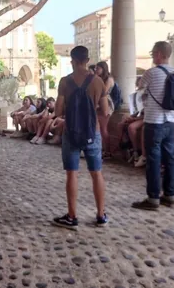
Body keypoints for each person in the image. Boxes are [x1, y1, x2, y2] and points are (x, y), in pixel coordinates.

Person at [51, 46, 108, 230]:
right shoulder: (98, 81)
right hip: (93, 132)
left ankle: (72, 215)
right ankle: (100, 214)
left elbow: (58, 111)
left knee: (71, 173)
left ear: (72, 61)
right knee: (96, 173)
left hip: (72, 131)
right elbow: (106, 111)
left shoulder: (65, 82)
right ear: (88, 59)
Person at [132, 41, 174, 211]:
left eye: (153, 53)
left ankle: (153, 198)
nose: (152, 56)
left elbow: (140, 92)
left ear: (160, 54)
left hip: (154, 122)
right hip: (169, 122)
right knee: (169, 159)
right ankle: (169, 195)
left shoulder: (151, 73)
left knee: (153, 160)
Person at [96, 61, 115, 157]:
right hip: (99, 103)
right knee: (99, 128)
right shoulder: (99, 78)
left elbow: (104, 92)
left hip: (106, 103)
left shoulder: (109, 79)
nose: (96, 70)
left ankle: (108, 151)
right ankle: (101, 149)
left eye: (98, 68)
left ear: (103, 69)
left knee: (103, 128)